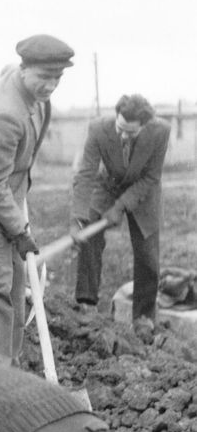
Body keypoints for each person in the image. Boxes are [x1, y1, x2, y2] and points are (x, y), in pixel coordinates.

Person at [0, 34, 74, 367]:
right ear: (25, 70)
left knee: (15, 284)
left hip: (5, 195)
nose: (51, 86)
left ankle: (12, 364)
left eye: (57, 78)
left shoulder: (20, 81)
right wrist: (20, 231)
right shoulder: (6, 114)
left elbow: (6, 69)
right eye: (44, 77)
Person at [71, 94, 171, 344]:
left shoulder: (161, 131)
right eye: (120, 129)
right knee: (89, 235)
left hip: (143, 189)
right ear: (115, 117)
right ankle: (87, 304)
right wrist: (78, 216)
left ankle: (144, 317)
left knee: (148, 254)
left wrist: (121, 207)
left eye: (131, 132)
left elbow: (150, 178)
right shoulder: (97, 128)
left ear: (145, 125)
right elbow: (85, 174)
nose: (123, 136)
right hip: (108, 184)